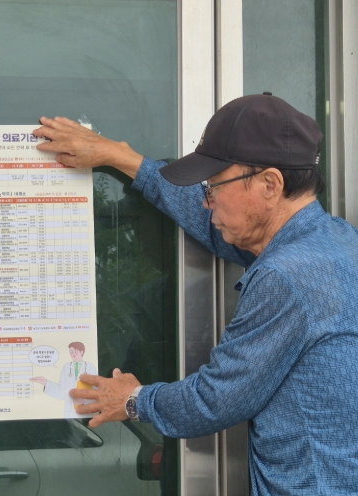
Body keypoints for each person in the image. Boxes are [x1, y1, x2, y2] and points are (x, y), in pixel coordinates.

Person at [33, 93, 358, 494]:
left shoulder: (287, 275)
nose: (207, 202)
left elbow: (217, 399)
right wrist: (120, 157)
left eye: (214, 186)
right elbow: (218, 228)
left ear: (270, 184)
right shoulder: (336, 241)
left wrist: (132, 400)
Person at [30, 341, 98, 417]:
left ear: (82, 352)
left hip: (86, 410)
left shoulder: (90, 367)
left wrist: (83, 400)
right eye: (71, 352)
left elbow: (97, 392)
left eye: (75, 351)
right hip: (69, 411)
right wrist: (46, 383)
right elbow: (61, 392)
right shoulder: (66, 367)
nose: (73, 354)